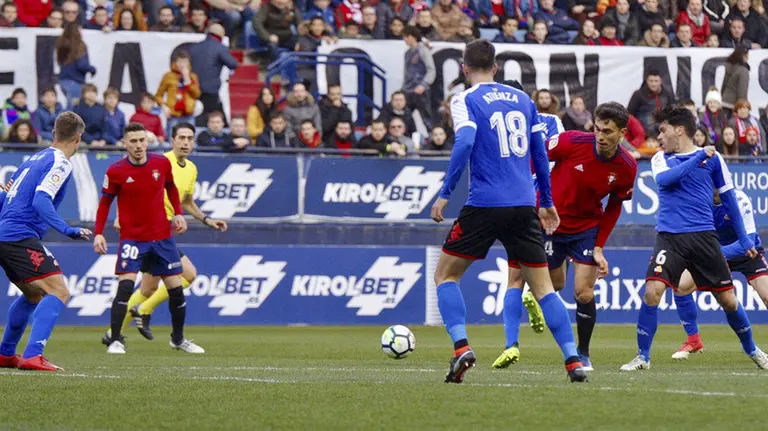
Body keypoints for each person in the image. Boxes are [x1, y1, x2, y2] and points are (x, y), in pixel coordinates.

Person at [430, 39, 587, 384]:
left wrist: (445, 194)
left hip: (485, 203)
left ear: (463, 68)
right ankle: (573, 360)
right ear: (497, 68)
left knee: (446, 276)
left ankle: (461, 348)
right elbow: (541, 155)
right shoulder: (523, 100)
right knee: (544, 289)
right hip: (523, 205)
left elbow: (466, 141)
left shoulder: (465, 99)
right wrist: (546, 202)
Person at [620, 105, 768, 371]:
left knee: (728, 301)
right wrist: (697, 158)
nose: (659, 137)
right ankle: (642, 357)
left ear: (680, 130)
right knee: (652, 292)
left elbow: (729, 199)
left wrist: (746, 240)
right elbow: (665, 181)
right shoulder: (661, 158)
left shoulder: (714, 159)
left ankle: (753, 350)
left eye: (663, 130)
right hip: (669, 238)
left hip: (703, 238)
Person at [493, 102, 638, 372]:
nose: (601, 136)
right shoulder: (571, 141)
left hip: (586, 227)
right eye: (597, 129)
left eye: (607, 131)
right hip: (550, 223)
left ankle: (583, 353)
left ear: (622, 133)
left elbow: (615, 206)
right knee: (556, 284)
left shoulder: (627, 167)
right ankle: (532, 303)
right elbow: (535, 156)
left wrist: (599, 246)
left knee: (583, 292)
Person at [102, 122, 228, 344]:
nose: (186, 142)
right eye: (182, 138)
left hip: (162, 232)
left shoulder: (190, 168)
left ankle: (115, 332)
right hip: (147, 232)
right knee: (187, 274)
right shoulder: (161, 161)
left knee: (149, 288)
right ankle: (138, 316)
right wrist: (122, 217)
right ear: (172, 141)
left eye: (190, 138)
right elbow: (135, 192)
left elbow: (186, 201)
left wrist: (207, 220)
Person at [93, 122, 199, 355]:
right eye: (133, 141)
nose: (139, 145)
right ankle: (116, 340)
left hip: (162, 237)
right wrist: (98, 232)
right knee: (126, 287)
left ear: (147, 141)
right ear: (125, 143)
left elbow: (171, 189)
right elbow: (104, 204)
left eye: (142, 140)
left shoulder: (161, 163)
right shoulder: (115, 171)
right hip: (132, 238)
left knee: (176, 290)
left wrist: (179, 214)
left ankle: (178, 339)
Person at [0, 112, 91, 371]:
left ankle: (6, 354)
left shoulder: (31, 160)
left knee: (32, 294)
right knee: (59, 291)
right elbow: (41, 199)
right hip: (19, 235)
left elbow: (4, 200)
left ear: (53, 134)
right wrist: (66, 229)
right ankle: (33, 354)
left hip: (5, 234)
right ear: (78, 138)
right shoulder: (60, 163)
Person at [671, 189, 768, 360]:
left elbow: (749, 241)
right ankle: (693, 339)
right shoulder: (700, 201)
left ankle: (750, 348)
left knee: (767, 296)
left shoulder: (738, 199)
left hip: (747, 252)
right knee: (680, 287)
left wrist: (714, 253)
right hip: (714, 254)